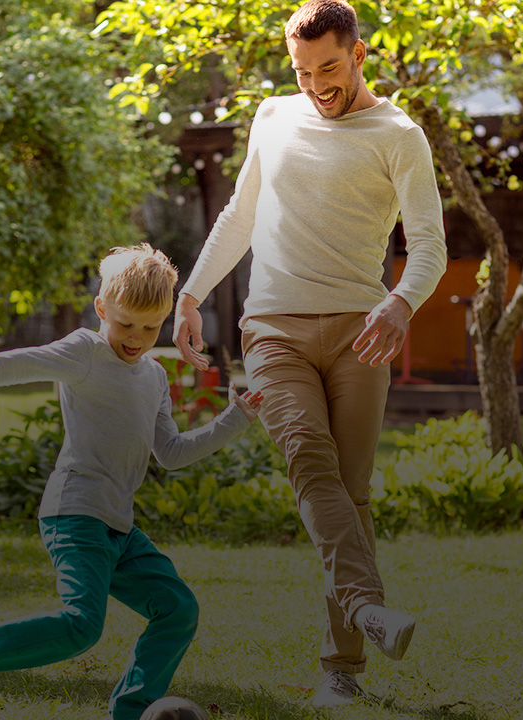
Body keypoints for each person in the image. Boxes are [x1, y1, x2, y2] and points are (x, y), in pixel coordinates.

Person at [172, 0, 448, 708]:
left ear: (359, 55)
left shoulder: (399, 134)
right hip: (273, 330)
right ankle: (366, 612)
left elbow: (430, 245)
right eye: (302, 70)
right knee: (310, 464)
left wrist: (400, 302)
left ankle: (341, 670)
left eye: (328, 67)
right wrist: (192, 293)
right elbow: (240, 213)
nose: (316, 84)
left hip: (362, 331)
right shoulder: (273, 116)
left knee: (349, 496)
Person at [0, 244, 263, 719]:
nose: (136, 338)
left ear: (167, 318)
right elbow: (27, 361)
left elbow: (170, 453)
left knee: (178, 609)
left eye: (150, 328)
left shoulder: (153, 377)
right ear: (102, 307)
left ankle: (132, 711)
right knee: (82, 626)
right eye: (125, 323)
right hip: (75, 515)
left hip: (118, 530)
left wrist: (237, 417)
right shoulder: (85, 351)